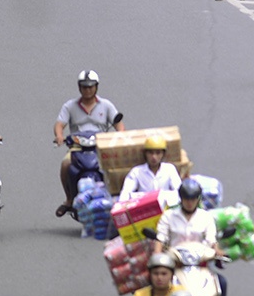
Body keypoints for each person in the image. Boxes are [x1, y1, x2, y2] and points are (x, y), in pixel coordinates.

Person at [54, 69, 123, 216]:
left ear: (96, 87)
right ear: (79, 87)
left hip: (101, 148)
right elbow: (60, 124)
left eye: (91, 86)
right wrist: (59, 136)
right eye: (84, 86)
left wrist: (120, 135)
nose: (87, 90)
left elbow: (119, 124)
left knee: (115, 168)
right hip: (77, 147)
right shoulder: (70, 106)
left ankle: (116, 198)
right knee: (65, 165)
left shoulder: (106, 105)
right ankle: (68, 199)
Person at [151, 177, 220, 259]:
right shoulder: (168, 216)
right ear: (181, 199)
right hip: (175, 259)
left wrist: (217, 250)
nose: (190, 203)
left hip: (199, 260)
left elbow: (211, 239)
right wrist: (157, 253)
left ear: (198, 199)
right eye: (186, 199)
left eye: (193, 199)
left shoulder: (206, 217)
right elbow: (161, 238)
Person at [118, 136, 182, 200]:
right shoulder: (136, 172)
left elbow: (179, 190)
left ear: (163, 154)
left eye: (158, 153)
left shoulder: (169, 169)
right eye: (151, 153)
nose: (154, 157)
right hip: (145, 207)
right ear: (145, 154)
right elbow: (125, 192)